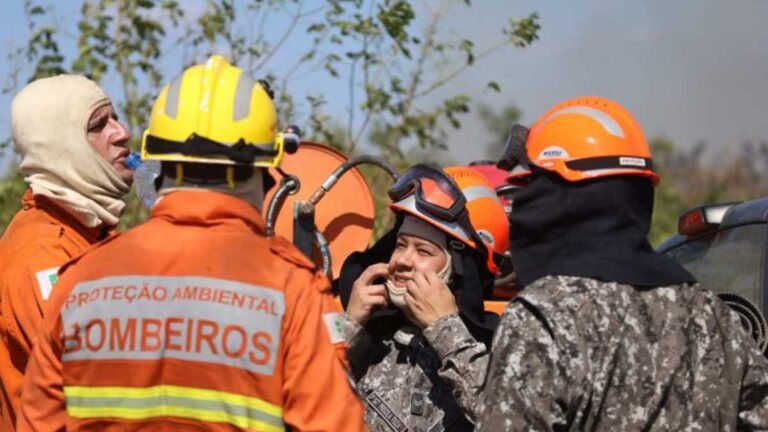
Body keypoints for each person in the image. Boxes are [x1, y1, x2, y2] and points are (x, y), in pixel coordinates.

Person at [17, 55, 366, 432]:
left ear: (159, 163)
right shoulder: (293, 288)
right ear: (264, 169)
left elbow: (38, 423)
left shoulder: (78, 282)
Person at [477, 96, 768, 430]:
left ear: (570, 199)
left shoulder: (544, 317)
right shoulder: (716, 319)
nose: (524, 206)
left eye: (534, 186)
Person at [0, 75, 133, 430]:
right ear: (60, 145)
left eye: (115, 118)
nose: (122, 133)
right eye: (98, 125)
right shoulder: (43, 253)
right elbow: (102, 387)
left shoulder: (92, 233)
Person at [337, 164, 509, 431]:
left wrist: (446, 332)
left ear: (459, 268)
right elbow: (299, 394)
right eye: (401, 244)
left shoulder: (495, 347)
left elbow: (508, 420)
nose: (403, 261)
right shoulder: (371, 331)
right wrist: (348, 325)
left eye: (424, 251)